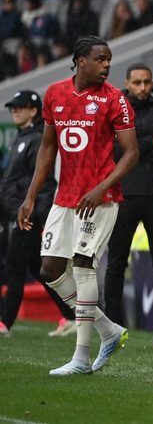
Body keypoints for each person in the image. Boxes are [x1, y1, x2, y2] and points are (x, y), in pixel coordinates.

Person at [18, 35, 139, 375]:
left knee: (84, 265)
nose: (107, 66)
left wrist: (102, 188)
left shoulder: (116, 99)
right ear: (80, 61)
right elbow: (46, 149)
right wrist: (31, 196)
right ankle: (108, 330)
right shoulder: (55, 94)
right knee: (50, 269)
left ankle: (81, 357)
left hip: (100, 199)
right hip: (65, 197)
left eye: (109, 60)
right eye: (101, 59)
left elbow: (131, 153)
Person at [103, 62, 153, 349]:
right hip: (123, 195)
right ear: (126, 83)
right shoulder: (115, 108)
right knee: (115, 263)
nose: (143, 88)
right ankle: (111, 329)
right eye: (137, 83)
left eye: (146, 82)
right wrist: (151, 142)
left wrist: (134, 146)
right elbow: (111, 149)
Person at [0, 90, 75, 337]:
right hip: (17, 212)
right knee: (39, 269)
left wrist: (34, 213)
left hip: (26, 216)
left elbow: (43, 182)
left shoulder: (37, 140)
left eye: (19, 107)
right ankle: (70, 314)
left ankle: (5, 322)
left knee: (14, 266)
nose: (14, 111)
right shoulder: (22, 138)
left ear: (33, 110)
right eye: (13, 108)